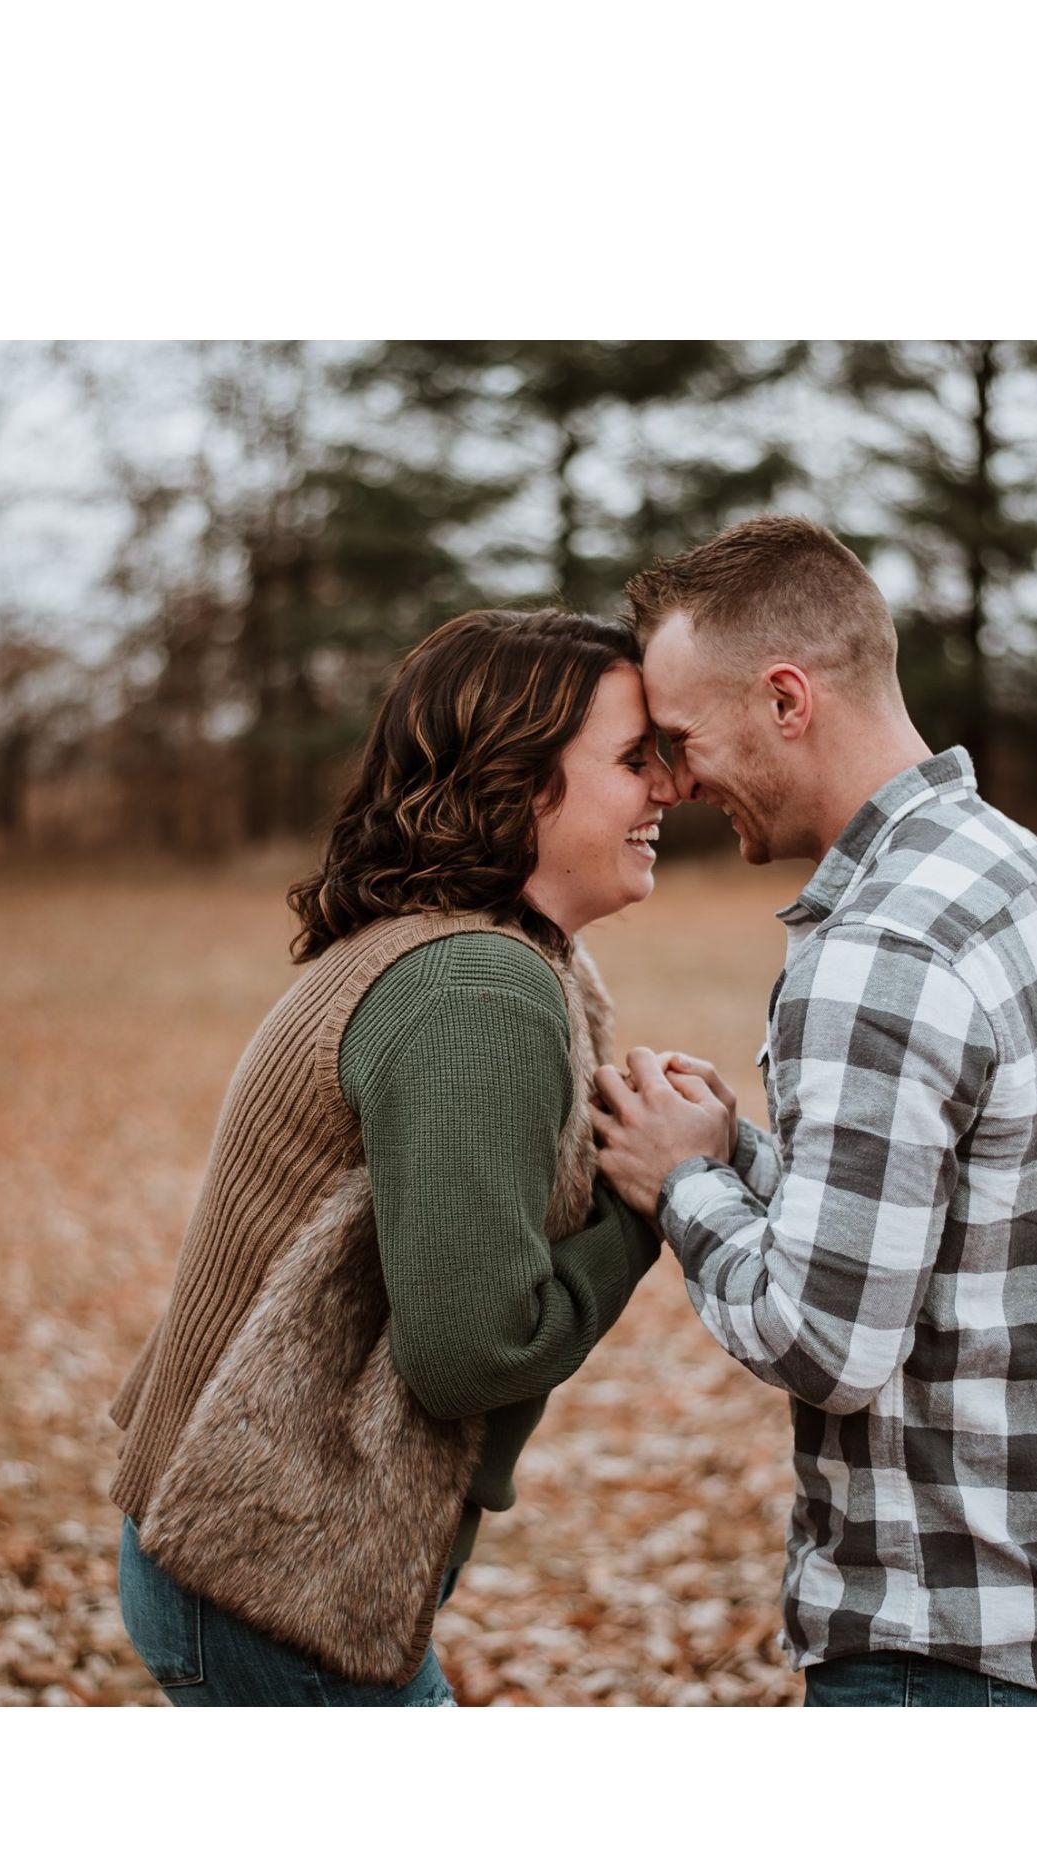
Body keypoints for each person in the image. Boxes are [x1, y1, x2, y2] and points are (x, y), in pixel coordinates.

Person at [592, 516, 1037, 1706]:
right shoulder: (1007, 866)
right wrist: (740, 1148)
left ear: (786, 699)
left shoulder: (873, 949)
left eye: (685, 738)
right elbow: (929, 1215)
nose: (679, 781)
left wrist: (681, 1183)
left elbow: (825, 1340)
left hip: (943, 1646)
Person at [109, 609, 676, 1705]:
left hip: (229, 1545)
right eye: (630, 758)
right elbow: (468, 1348)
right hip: (265, 1585)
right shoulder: (474, 988)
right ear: (518, 779)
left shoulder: (455, 948)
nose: (667, 787)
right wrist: (648, 1202)